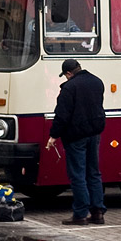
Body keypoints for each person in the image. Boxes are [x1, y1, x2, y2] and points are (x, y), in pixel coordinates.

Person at [45, 58, 106, 225]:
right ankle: (97, 212)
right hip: (94, 134)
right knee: (94, 173)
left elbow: (62, 116)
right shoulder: (97, 82)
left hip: (76, 136)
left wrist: (53, 136)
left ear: (68, 73)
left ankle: (80, 214)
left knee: (77, 175)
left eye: (65, 75)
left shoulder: (69, 88)